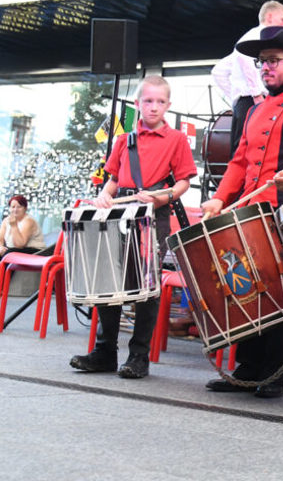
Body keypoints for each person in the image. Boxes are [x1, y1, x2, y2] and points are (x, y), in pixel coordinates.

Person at [200, 25, 283, 398]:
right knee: (251, 292)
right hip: (250, 212)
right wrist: (219, 198)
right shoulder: (256, 109)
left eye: (273, 62)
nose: (266, 68)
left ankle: (277, 371)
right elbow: (239, 163)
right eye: (262, 62)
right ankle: (248, 366)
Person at [70, 75, 197, 379]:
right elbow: (112, 178)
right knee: (108, 281)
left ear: (168, 105)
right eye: (148, 101)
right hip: (119, 214)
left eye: (160, 102)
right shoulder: (124, 140)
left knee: (146, 285)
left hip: (154, 215)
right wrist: (104, 196)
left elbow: (182, 182)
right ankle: (104, 352)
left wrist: (160, 197)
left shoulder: (177, 140)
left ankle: (139, 356)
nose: (153, 107)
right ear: (138, 103)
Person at [211, 0, 283, 156]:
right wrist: (254, 94)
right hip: (254, 101)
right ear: (269, 17)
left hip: (248, 101)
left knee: (245, 149)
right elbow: (243, 58)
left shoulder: (250, 37)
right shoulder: (256, 35)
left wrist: (236, 96)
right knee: (249, 149)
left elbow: (218, 71)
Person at [0, 194, 47, 293]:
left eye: (19, 207)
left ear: (25, 208)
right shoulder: (6, 220)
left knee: (10, 253)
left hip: (34, 250)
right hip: (13, 249)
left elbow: (20, 244)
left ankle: (0, 288)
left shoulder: (29, 221)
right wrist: (0, 248)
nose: (15, 210)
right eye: (13, 207)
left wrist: (14, 226)